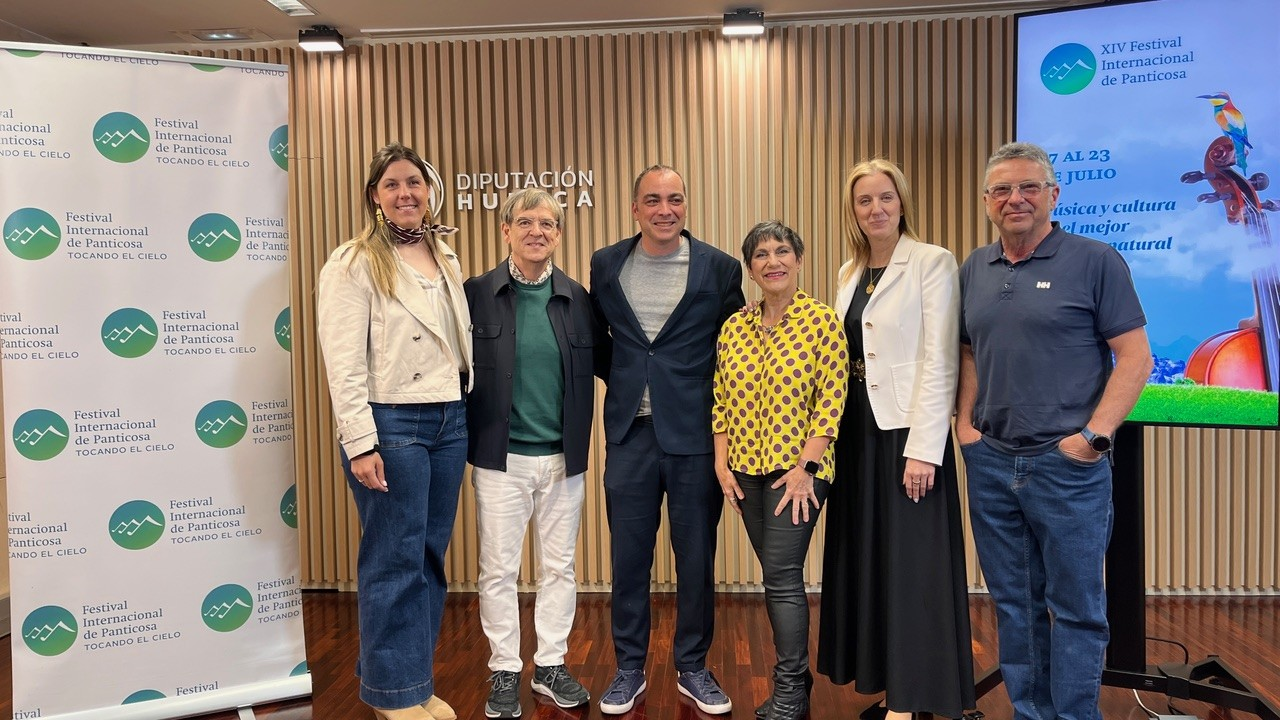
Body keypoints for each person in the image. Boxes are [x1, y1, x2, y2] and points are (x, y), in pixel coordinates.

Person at [957, 142, 1152, 720]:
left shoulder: (1096, 260)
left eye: (1028, 188)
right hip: (991, 462)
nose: (1015, 198)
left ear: (1053, 195)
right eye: (1001, 190)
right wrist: (963, 427)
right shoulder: (975, 267)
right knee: (1014, 606)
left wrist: (1094, 437)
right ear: (988, 201)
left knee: (1075, 610)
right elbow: (968, 353)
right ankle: (1029, 713)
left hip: (1067, 468)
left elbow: (1135, 358)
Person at [816, 159, 976, 720]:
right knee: (872, 560)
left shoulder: (932, 262)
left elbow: (940, 359)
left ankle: (913, 700)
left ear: (902, 202)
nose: (876, 209)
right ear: (852, 210)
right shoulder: (847, 272)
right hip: (856, 430)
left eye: (886, 198)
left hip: (907, 432)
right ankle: (887, 681)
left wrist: (925, 447)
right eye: (864, 201)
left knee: (913, 566)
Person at [317, 142, 470, 720]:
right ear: (375, 197)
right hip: (392, 419)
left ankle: (409, 680)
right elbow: (342, 361)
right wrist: (360, 442)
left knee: (428, 556)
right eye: (392, 185)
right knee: (393, 557)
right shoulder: (353, 262)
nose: (405, 194)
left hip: (449, 417)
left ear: (428, 191)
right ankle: (391, 696)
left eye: (415, 183)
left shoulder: (445, 255)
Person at [589, 165, 746, 715]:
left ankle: (693, 667)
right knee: (629, 558)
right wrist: (633, 380)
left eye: (674, 199)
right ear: (635, 208)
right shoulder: (606, 264)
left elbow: (735, 347)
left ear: (686, 204)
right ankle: (629, 668)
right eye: (652, 200)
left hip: (697, 437)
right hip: (631, 433)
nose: (664, 209)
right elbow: (601, 341)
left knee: (696, 558)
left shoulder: (721, 269)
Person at [464, 188, 599, 718]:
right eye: (525, 222)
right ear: (506, 231)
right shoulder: (476, 293)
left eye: (547, 222)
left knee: (560, 568)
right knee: (497, 569)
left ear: (560, 234)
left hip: (563, 460)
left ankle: (549, 665)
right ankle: (503, 669)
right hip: (501, 460)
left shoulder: (579, 298)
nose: (536, 230)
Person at [714, 221, 848, 720]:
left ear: (798, 259)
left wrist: (806, 467)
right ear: (749, 268)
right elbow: (721, 399)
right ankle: (797, 679)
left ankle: (791, 686)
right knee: (775, 573)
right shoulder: (736, 325)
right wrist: (721, 464)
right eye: (762, 255)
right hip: (745, 470)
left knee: (783, 577)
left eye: (782, 251)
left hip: (799, 472)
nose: (773, 261)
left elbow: (832, 399)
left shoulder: (822, 320)